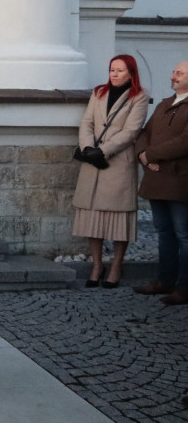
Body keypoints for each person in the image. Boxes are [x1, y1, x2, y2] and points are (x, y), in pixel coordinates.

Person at [72, 55, 149, 288]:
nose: (114, 74)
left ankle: (116, 264)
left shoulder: (139, 97)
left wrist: (103, 151)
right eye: (112, 70)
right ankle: (97, 265)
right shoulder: (98, 93)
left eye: (120, 70)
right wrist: (87, 148)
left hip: (117, 163)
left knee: (118, 217)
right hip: (91, 161)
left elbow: (131, 131)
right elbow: (87, 122)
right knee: (91, 216)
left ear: (131, 73)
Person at [132, 60, 188, 305]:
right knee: (164, 233)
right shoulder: (165, 104)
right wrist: (142, 155)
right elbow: (144, 133)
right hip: (157, 179)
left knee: (183, 236)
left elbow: (184, 141)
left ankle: (185, 288)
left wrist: (151, 155)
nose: (172, 76)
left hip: (179, 181)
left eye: (179, 73)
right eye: (174, 71)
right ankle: (165, 280)